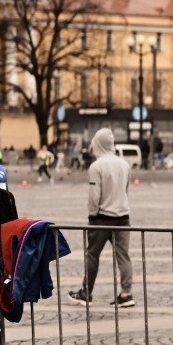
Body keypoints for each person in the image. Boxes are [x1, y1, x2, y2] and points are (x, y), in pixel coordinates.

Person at [70, 128, 135, 308]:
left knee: (92, 255)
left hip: (102, 218)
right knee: (123, 256)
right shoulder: (125, 165)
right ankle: (126, 293)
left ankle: (86, 292)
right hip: (123, 216)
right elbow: (126, 191)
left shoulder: (96, 167)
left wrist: (92, 215)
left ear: (97, 143)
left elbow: (94, 196)